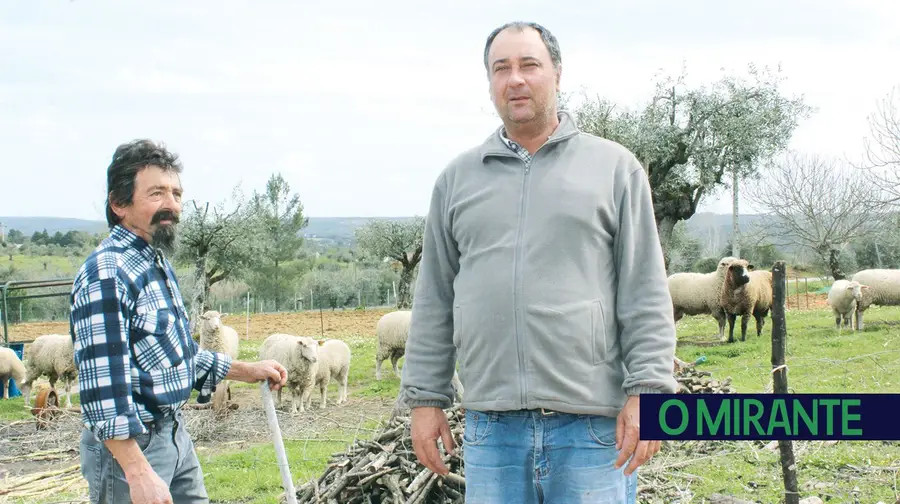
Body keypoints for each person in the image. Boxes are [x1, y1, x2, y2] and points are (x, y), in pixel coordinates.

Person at [398, 21, 678, 503]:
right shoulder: (457, 180)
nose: (516, 79)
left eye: (530, 65)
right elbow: (434, 299)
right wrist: (426, 398)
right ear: (489, 84)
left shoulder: (613, 168)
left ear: (557, 74)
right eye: (501, 68)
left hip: (592, 427)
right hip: (492, 428)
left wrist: (649, 391)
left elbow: (645, 289)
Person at [70, 139, 289, 504]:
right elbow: (103, 389)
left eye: (176, 193)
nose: (171, 204)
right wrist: (137, 471)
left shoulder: (155, 263)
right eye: (156, 193)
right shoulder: (109, 272)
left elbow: (178, 358)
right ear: (119, 204)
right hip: (131, 450)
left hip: (173, 434)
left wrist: (246, 370)